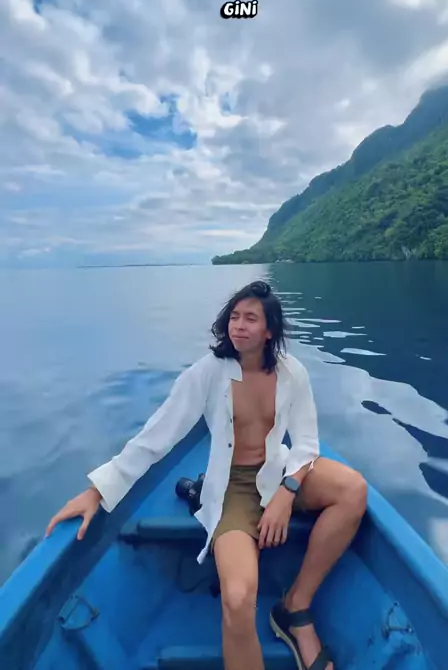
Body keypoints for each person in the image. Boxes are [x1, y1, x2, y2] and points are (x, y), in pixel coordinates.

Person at [45, 280, 367, 670]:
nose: (239, 325)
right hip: (232, 488)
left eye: (250, 318)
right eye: (235, 317)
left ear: (269, 330)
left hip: (278, 470)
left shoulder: (291, 372)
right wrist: (97, 492)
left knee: (353, 489)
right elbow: (156, 435)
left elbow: (306, 443)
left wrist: (287, 492)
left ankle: (294, 605)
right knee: (237, 597)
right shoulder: (208, 373)